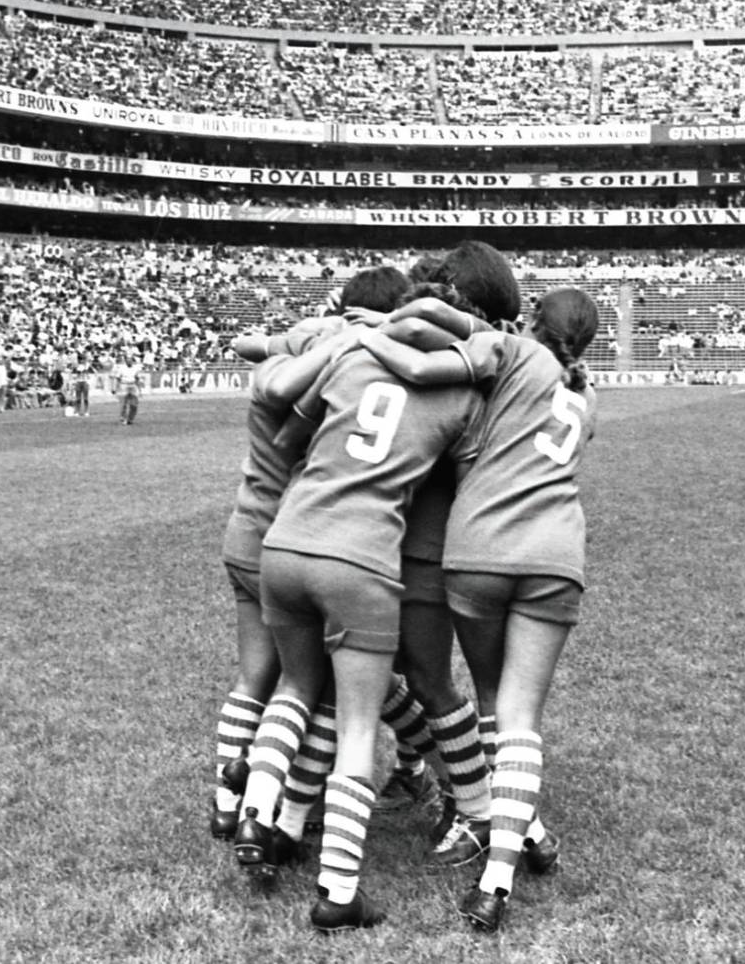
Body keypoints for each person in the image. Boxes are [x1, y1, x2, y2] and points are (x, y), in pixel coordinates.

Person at [240, 283, 488, 934]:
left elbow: (290, 433)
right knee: (355, 726)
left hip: (285, 545)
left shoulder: (351, 359)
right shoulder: (460, 394)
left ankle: (262, 815)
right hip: (361, 561)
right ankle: (339, 890)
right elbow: (472, 479)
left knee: (297, 686)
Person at [352, 288, 600, 934]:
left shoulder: (511, 350)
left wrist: (372, 325)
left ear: (535, 321)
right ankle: (508, 867)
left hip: (480, 548)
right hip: (557, 553)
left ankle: (511, 835)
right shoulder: (587, 396)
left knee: (491, 701)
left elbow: (439, 325)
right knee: (521, 718)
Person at [210, 267, 416, 856]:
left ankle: (233, 804)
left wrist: (310, 334)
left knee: (257, 680)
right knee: (324, 687)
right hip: (310, 536)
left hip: (248, 532)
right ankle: (285, 810)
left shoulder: (304, 345)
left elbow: (250, 349)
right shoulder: (350, 370)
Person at [113, 357, 143, 425]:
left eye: (130, 361)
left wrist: (140, 390)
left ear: (132, 361)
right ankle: (123, 418)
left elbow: (137, 379)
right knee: (123, 404)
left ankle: (130, 419)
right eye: (127, 361)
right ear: (125, 361)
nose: (129, 362)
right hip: (124, 385)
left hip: (133, 385)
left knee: (134, 405)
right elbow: (117, 378)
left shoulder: (136, 368)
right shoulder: (121, 368)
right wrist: (115, 388)